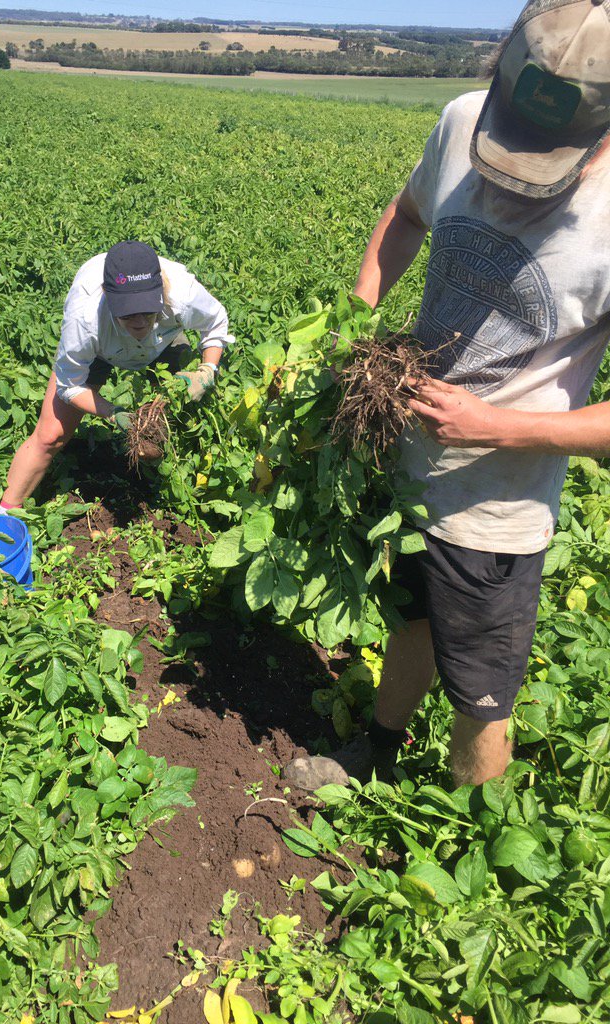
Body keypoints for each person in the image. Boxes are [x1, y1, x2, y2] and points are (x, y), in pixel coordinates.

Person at [285, 0, 610, 792]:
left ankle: (463, 859)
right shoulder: (463, 118)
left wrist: (493, 425)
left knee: (480, 695)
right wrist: (347, 332)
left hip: (499, 508)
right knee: (412, 623)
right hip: (409, 471)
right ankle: (378, 755)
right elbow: (406, 215)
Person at [0, 240, 233, 510]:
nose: (139, 322)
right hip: (102, 350)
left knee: (173, 421)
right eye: (128, 314)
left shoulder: (183, 293)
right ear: (108, 297)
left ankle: (169, 494)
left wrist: (207, 370)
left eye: (148, 311)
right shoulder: (85, 318)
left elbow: (216, 322)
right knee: (50, 434)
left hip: (164, 343)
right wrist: (114, 413)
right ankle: (5, 518)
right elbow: (70, 386)